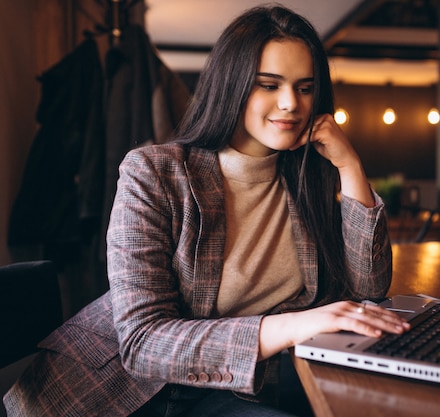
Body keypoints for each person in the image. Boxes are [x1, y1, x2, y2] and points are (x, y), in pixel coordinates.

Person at [3, 5, 408, 416]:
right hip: (126, 392)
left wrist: (350, 167)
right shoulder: (154, 172)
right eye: (269, 85)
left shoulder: (304, 175)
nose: (291, 103)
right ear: (232, 85)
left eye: (305, 88)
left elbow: (369, 289)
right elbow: (144, 343)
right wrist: (292, 326)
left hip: (237, 384)